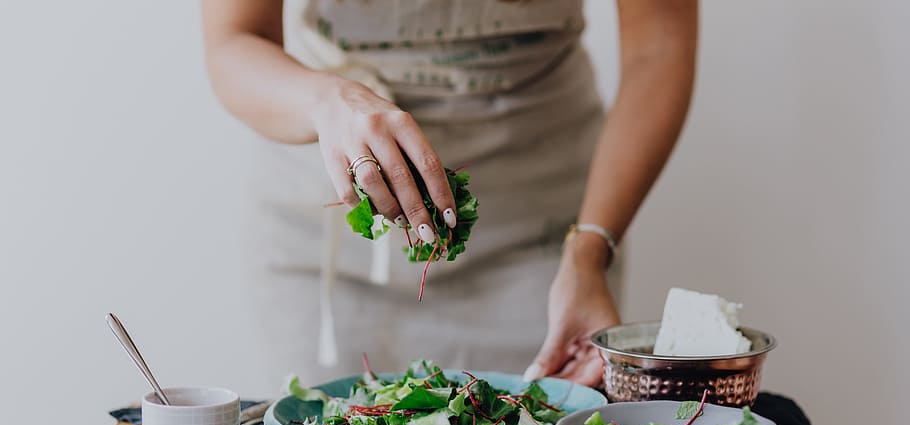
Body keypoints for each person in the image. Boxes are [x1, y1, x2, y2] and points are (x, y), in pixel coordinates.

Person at [200, 0, 697, 388]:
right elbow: (234, 41)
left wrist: (590, 249)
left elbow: (659, 46)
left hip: (546, 238)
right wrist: (327, 101)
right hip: (327, 245)